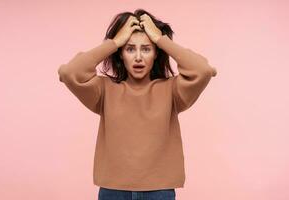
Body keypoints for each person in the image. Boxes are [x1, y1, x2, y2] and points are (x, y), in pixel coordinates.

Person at [58, 8, 217, 200]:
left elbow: (203, 70)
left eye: (146, 48)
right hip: (112, 191)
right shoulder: (104, 90)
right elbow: (69, 73)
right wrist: (115, 42)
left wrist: (160, 39)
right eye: (130, 48)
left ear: (156, 53)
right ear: (120, 54)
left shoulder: (172, 90)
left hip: (160, 191)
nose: (139, 57)